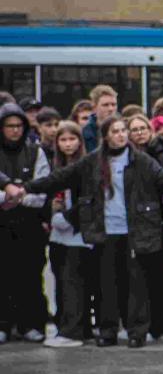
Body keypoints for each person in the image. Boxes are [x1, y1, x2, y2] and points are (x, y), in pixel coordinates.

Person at [9, 115, 163, 348]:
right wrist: (25, 188)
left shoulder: (141, 160)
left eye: (124, 130)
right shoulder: (92, 161)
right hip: (104, 230)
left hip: (134, 230)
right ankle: (108, 330)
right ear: (106, 136)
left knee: (135, 283)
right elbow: (58, 178)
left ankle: (136, 331)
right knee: (106, 284)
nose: (121, 135)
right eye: (116, 131)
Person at [38, 123, 95, 348]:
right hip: (58, 235)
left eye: (72, 139)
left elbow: (88, 202)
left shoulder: (87, 167)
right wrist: (50, 214)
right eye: (63, 140)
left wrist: (64, 218)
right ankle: (65, 325)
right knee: (61, 280)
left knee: (74, 283)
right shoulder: (56, 166)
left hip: (77, 234)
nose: (68, 144)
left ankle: (74, 331)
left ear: (80, 142)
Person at [0, 103, 48, 342]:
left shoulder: (35, 152)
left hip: (29, 226)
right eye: (9, 126)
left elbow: (41, 192)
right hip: (2, 225)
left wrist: (16, 197)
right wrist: (9, 196)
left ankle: (30, 324)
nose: (15, 131)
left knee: (30, 277)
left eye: (19, 126)